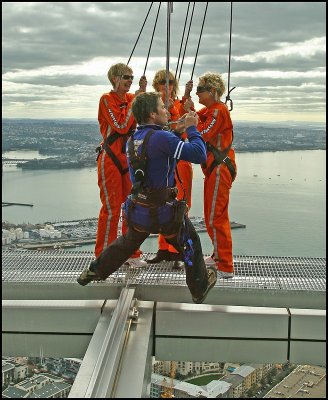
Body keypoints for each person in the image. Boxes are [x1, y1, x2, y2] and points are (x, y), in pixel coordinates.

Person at [77, 91, 217, 304]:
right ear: (152, 114)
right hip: (164, 212)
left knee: (126, 243)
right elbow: (198, 154)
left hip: (139, 210)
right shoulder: (162, 137)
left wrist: (175, 129)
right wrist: (191, 128)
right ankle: (199, 288)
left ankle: (95, 271)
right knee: (190, 243)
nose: (166, 112)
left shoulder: (134, 137)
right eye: (162, 108)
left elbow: (160, 150)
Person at [183, 72, 237, 278]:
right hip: (215, 168)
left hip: (219, 168)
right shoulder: (212, 110)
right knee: (211, 214)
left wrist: (189, 123)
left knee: (216, 216)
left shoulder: (218, 111)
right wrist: (190, 110)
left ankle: (225, 265)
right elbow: (201, 119)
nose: (197, 93)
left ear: (212, 92)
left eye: (200, 90)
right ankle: (218, 256)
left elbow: (202, 133)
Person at [95, 62, 147, 267]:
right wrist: (136, 99)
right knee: (111, 208)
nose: (130, 81)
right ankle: (103, 256)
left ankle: (131, 253)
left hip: (129, 158)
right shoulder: (107, 99)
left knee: (131, 208)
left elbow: (141, 121)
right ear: (115, 78)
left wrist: (141, 95)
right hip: (111, 159)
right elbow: (122, 126)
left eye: (132, 78)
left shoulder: (132, 99)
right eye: (126, 77)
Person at [147, 70, 193, 268]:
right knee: (163, 204)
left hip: (179, 158)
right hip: (164, 160)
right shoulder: (153, 105)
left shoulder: (179, 104)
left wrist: (187, 100)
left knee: (181, 205)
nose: (167, 86)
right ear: (156, 85)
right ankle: (164, 249)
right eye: (162, 83)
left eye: (170, 82)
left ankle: (178, 251)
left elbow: (190, 123)